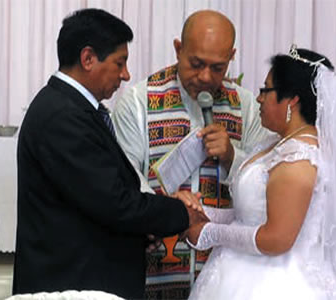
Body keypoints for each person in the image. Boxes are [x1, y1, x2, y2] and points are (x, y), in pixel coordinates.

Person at [12, 9, 207, 299]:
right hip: (72, 278)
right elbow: (114, 202)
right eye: (120, 63)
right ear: (88, 58)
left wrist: (146, 227)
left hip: (87, 269)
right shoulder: (62, 117)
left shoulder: (74, 108)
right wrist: (182, 213)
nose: (125, 75)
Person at [184, 46, 336, 299]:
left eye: (266, 90)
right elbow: (257, 213)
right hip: (244, 269)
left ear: (292, 100)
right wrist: (204, 215)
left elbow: (277, 238)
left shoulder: (299, 157)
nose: (259, 99)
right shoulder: (278, 144)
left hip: (274, 282)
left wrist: (211, 233)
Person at [111, 10, 269, 298]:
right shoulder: (138, 101)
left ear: (231, 57)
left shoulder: (246, 106)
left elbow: (264, 184)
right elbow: (124, 178)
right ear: (178, 49)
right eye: (196, 64)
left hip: (224, 269)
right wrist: (164, 206)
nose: (206, 77)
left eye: (218, 68)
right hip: (155, 261)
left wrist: (233, 156)